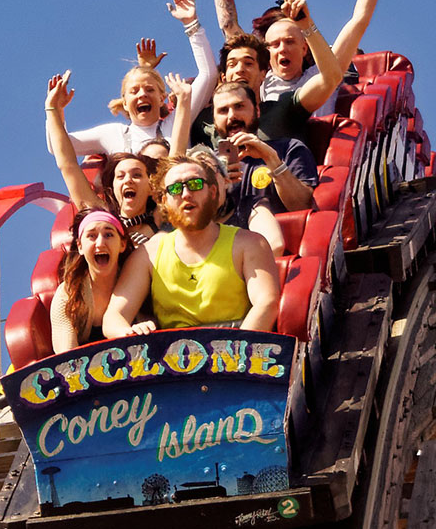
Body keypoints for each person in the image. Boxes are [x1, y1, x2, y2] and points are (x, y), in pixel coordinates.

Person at [102, 155, 279, 335]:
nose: (186, 194)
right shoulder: (148, 254)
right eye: (176, 188)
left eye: (195, 184)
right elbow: (114, 318)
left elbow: (267, 303)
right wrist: (129, 332)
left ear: (212, 191)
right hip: (170, 355)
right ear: (164, 201)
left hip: (238, 349)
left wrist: (236, 352)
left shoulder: (249, 243)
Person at [208, 0, 394, 113]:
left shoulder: (322, 73)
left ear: (304, 48)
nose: (282, 49)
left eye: (289, 42)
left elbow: (359, 21)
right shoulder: (261, 79)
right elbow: (229, 26)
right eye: (275, 44)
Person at [48, 0, 217, 156]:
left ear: (161, 99)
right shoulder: (113, 134)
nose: (142, 94)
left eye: (150, 89)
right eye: (134, 91)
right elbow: (58, 147)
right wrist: (55, 109)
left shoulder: (177, 121)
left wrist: (191, 24)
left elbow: (208, 75)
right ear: (125, 102)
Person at [45, 71, 193, 245]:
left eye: (137, 175)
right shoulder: (101, 214)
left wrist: (184, 100)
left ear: (152, 185)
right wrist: (53, 109)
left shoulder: (164, 210)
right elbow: (68, 164)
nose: (128, 180)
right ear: (112, 185)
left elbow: (175, 158)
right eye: (120, 176)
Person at [190, 0, 342, 147]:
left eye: (248, 63)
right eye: (232, 64)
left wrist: (306, 26)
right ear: (223, 77)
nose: (240, 69)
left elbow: (331, 77)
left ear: (264, 73)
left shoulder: (283, 109)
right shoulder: (204, 124)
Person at [211, 82, 319, 255]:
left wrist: (271, 159)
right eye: (223, 110)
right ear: (214, 121)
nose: (232, 116)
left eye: (239, 106)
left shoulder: (288, 148)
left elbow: (302, 206)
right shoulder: (205, 166)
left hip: (284, 258)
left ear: (257, 111)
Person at [49, 208, 130, 353]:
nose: (100, 243)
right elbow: (67, 358)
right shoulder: (68, 293)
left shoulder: (136, 281)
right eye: (92, 236)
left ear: (122, 244)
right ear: (80, 246)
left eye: (109, 234)